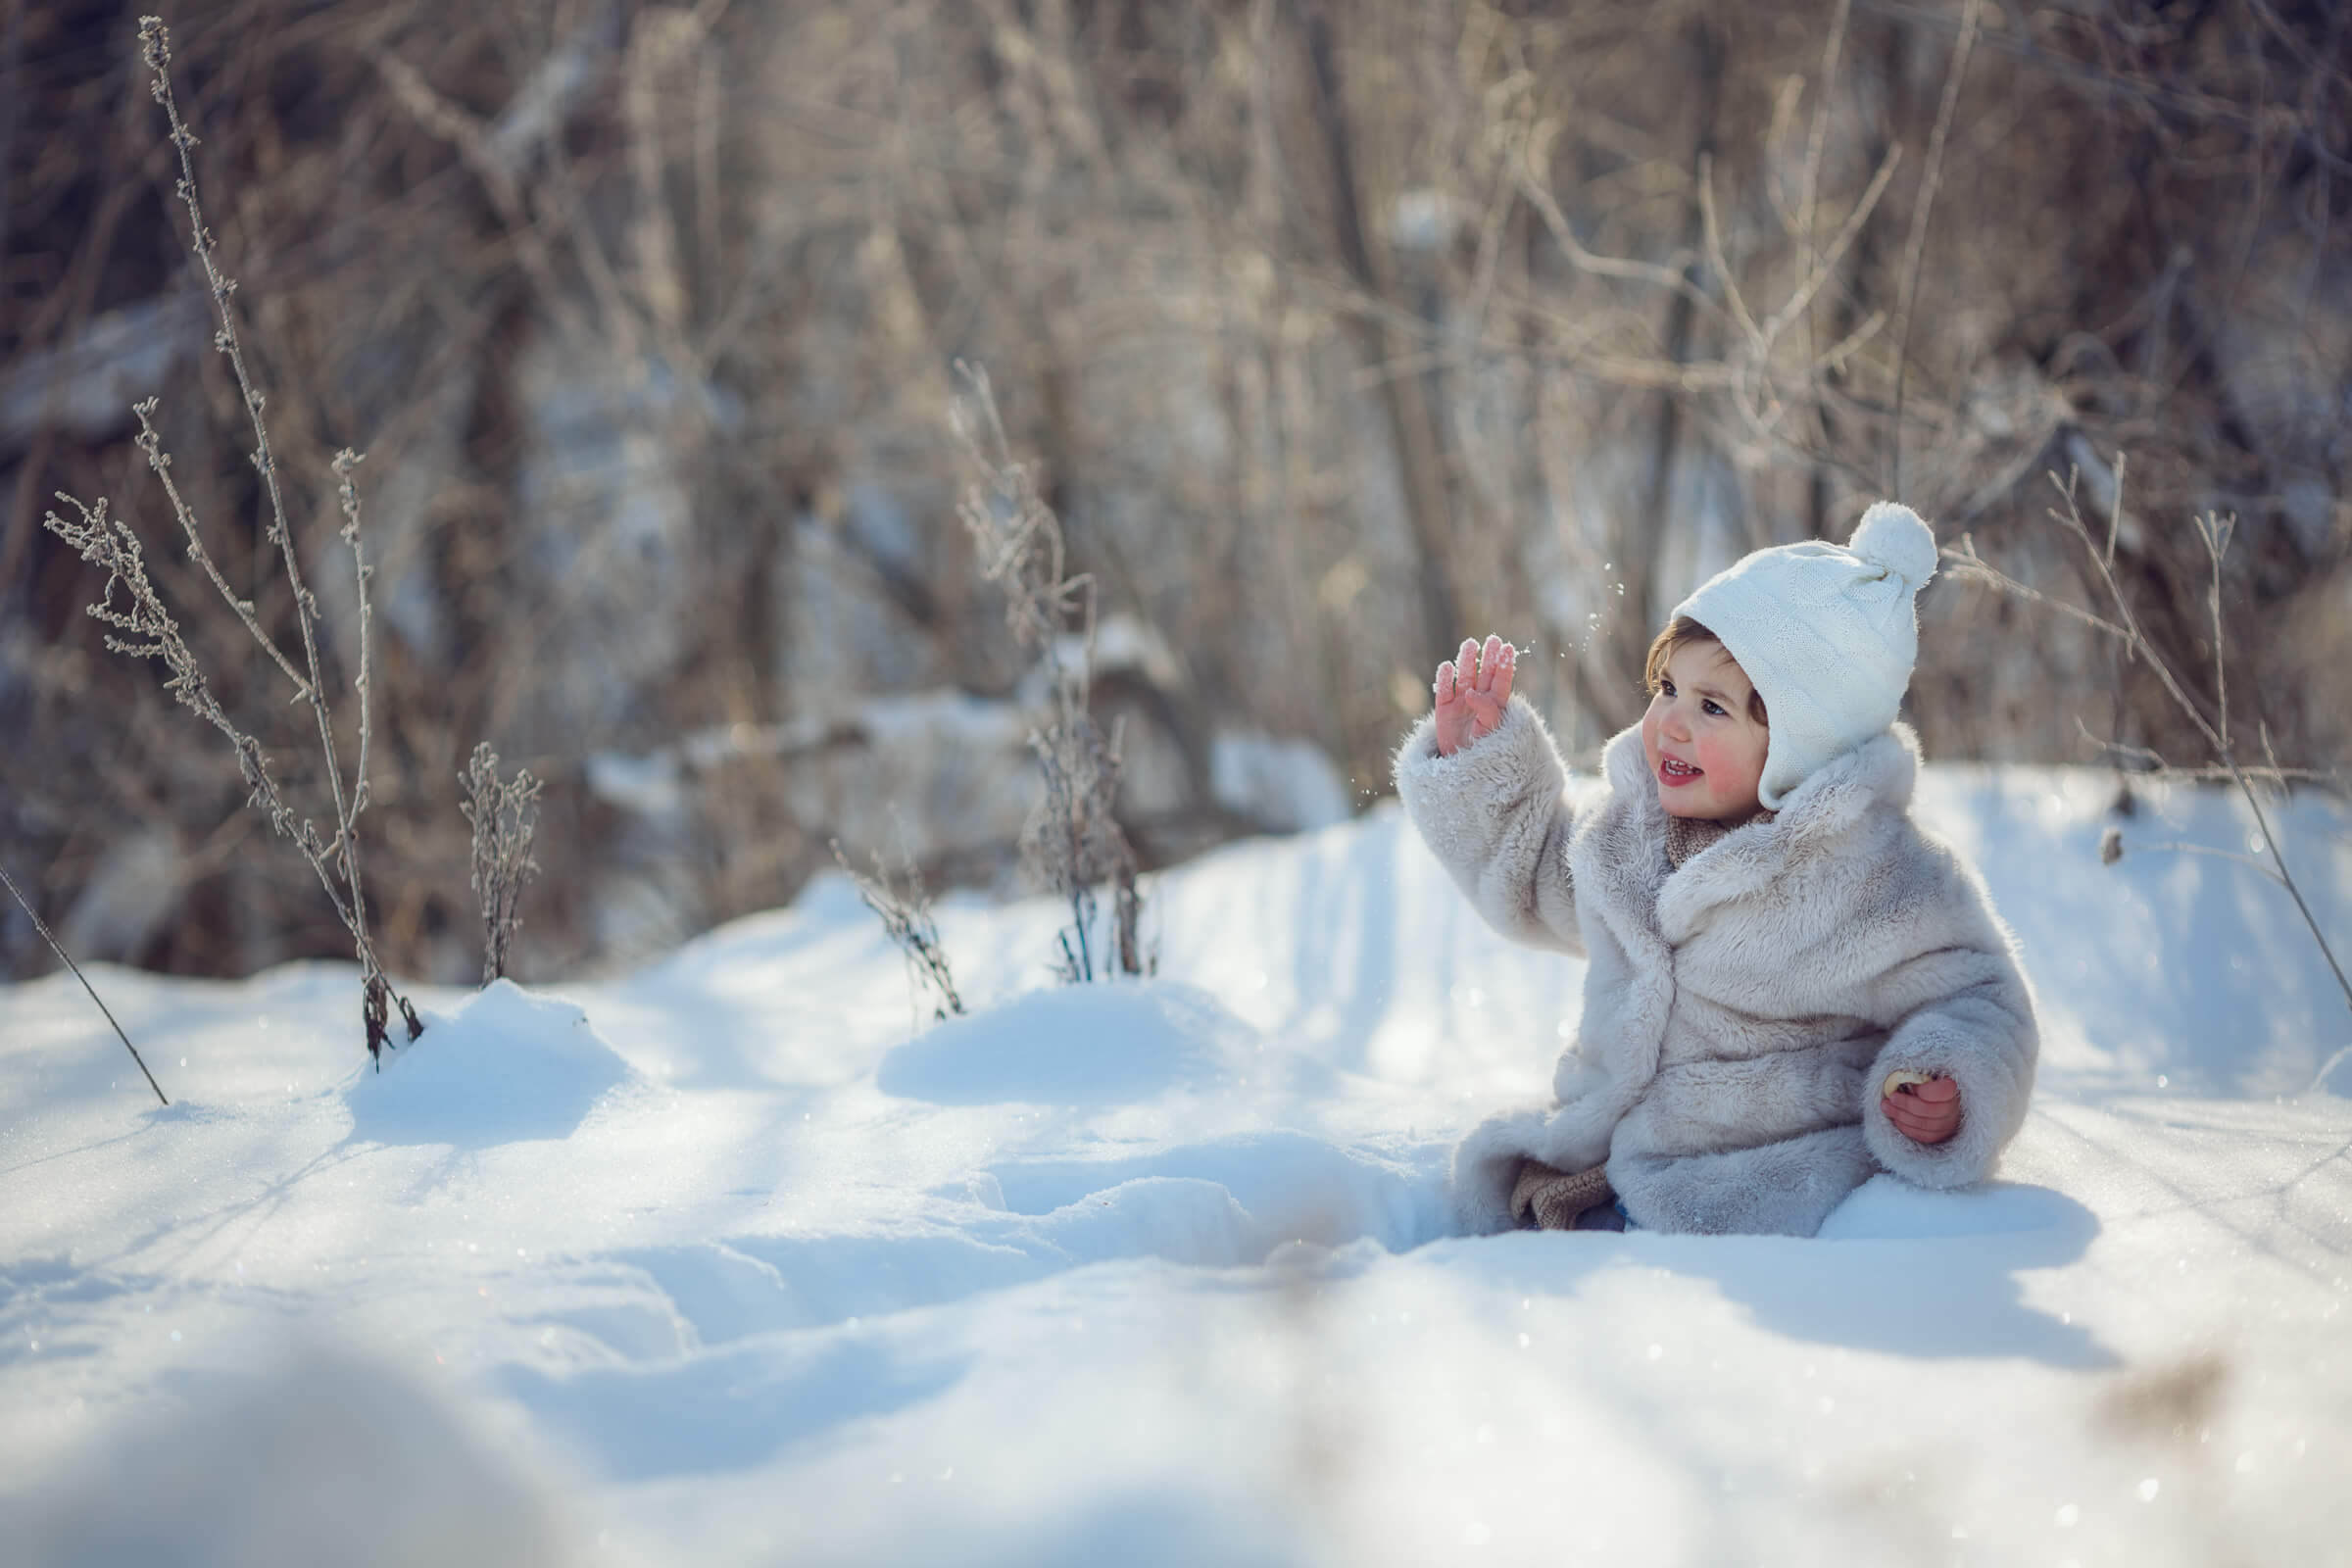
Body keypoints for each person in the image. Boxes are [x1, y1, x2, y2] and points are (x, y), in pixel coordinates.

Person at [1394, 502, 2037, 1237]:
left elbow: (1985, 998)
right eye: (1668, 689)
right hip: (1599, 1163)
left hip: (1749, 1193)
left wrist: (1950, 1084)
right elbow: (1539, 878)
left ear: (1801, 748)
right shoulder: (1635, 832)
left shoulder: (1873, 875)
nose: (1670, 722)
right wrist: (1480, 765)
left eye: (1712, 707)